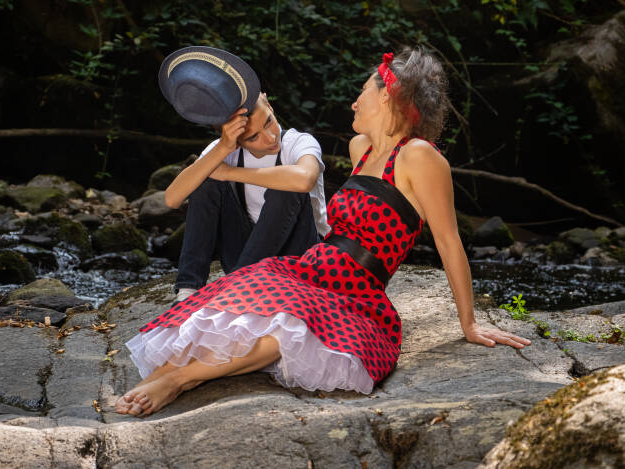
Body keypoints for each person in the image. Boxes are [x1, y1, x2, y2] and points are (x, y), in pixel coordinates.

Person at [116, 47, 531, 417]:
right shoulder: (360, 149)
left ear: (387, 96)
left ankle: (181, 379)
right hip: (309, 267)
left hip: (356, 291)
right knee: (242, 301)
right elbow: (175, 196)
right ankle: (161, 374)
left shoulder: (419, 157)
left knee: (284, 328)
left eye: (363, 92)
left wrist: (469, 324)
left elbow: (448, 241)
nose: (354, 101)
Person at [165, 91, 329, 302]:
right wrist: (222, 148)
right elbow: (171, 199)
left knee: (288, 185)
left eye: (269, 122)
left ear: (269, 105)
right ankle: (188, 291)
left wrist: (229, 173)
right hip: (246, 257)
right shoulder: (225, 149)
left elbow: (305, 179)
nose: (270, 137)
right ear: (236, 140)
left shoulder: (299, 142)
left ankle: (236, 289)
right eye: (253, 137)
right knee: (205, 180)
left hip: (302, 255)